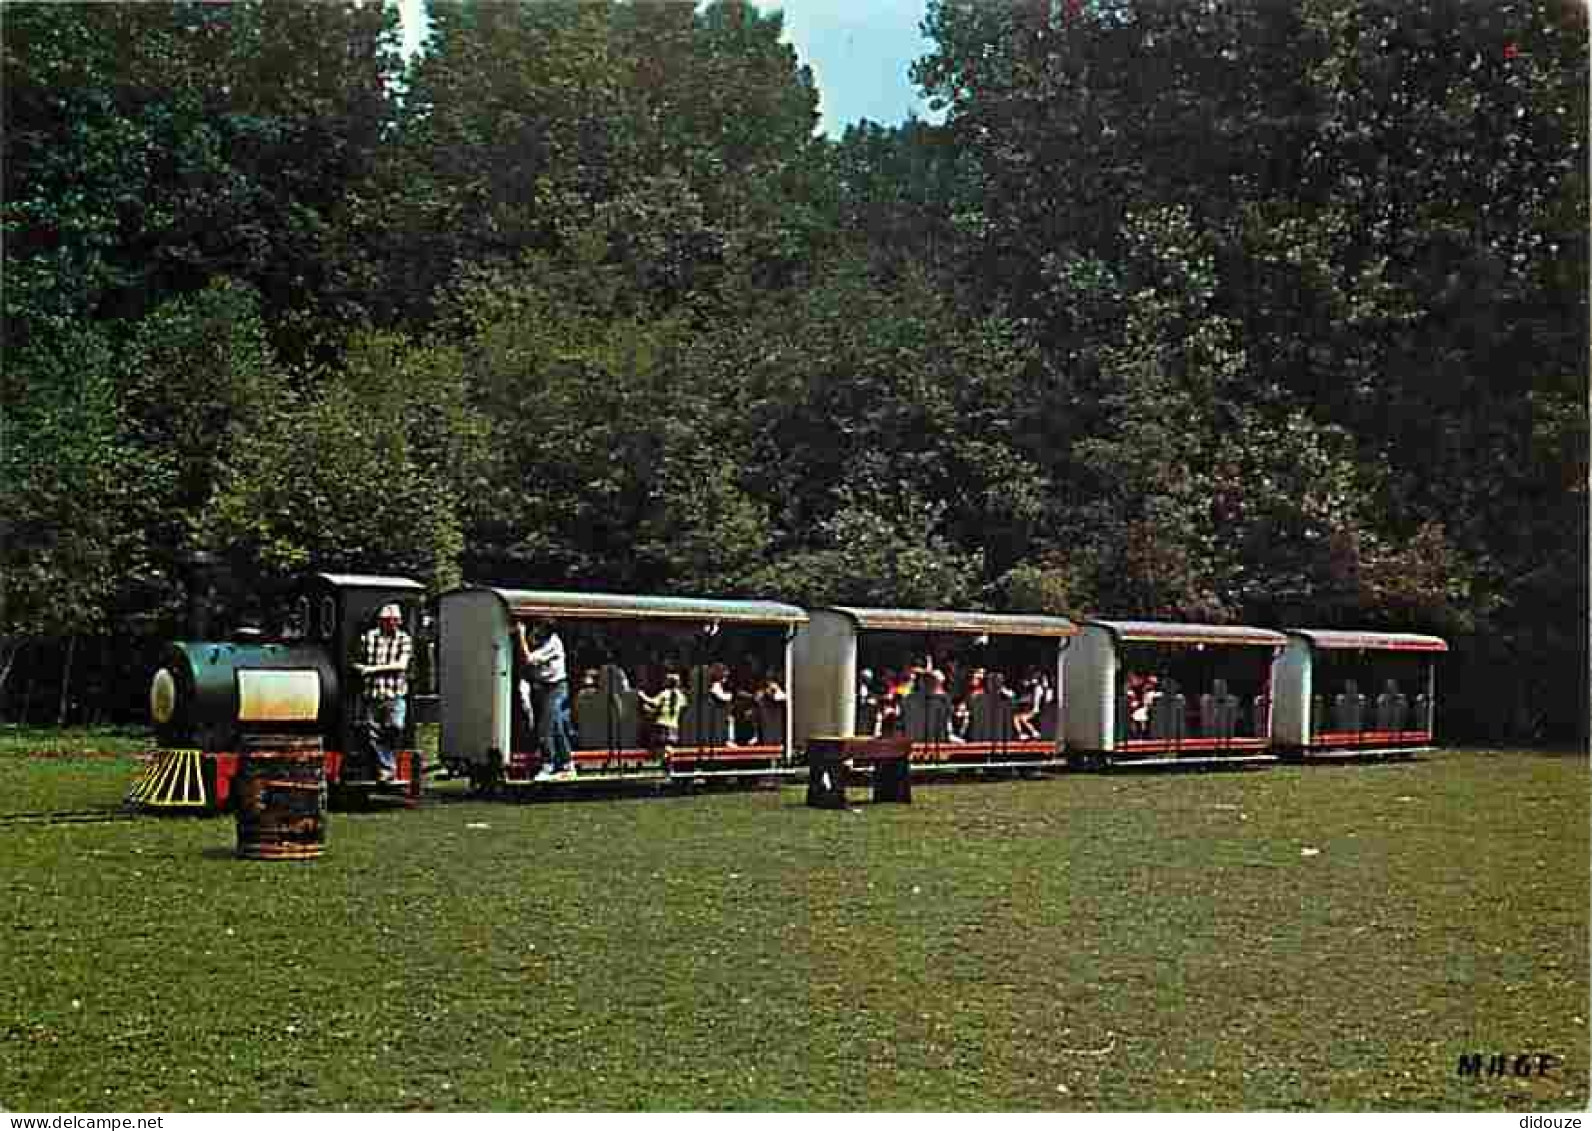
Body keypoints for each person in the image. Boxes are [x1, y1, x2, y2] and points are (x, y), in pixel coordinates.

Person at [355, 603, 412, 783]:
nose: (390, 623)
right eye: (386, 620)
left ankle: (388, 765)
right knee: (373, 735)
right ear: (380, 621)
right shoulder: (369, 638)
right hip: (373, 694)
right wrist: (360, 668)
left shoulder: (404, 639)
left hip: (394, 694)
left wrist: (370, 670)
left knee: (395, 726)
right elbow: (356, 661)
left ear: (399, 621)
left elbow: (401, 666)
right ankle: (387, 770)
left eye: (393, 620)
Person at [518, 620, 575, 781]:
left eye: (539, 627)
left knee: (546, 726)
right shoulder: (537, 638)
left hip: (556, 688)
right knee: (556, 725)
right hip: (542, 688)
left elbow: (529, 659)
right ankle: (567, 765)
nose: (536, 630)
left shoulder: (553, 643)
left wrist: (521, 635)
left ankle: (548, 765)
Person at [639, 672, 688, 763]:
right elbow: (683, 705)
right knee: (669, 744)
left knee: (657, 744)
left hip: (662, 724)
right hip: (673, 725)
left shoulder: (665, 693)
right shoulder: (681, 696)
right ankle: (667, 760)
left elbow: (653, 702)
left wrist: (642, 695)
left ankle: (659, 760)